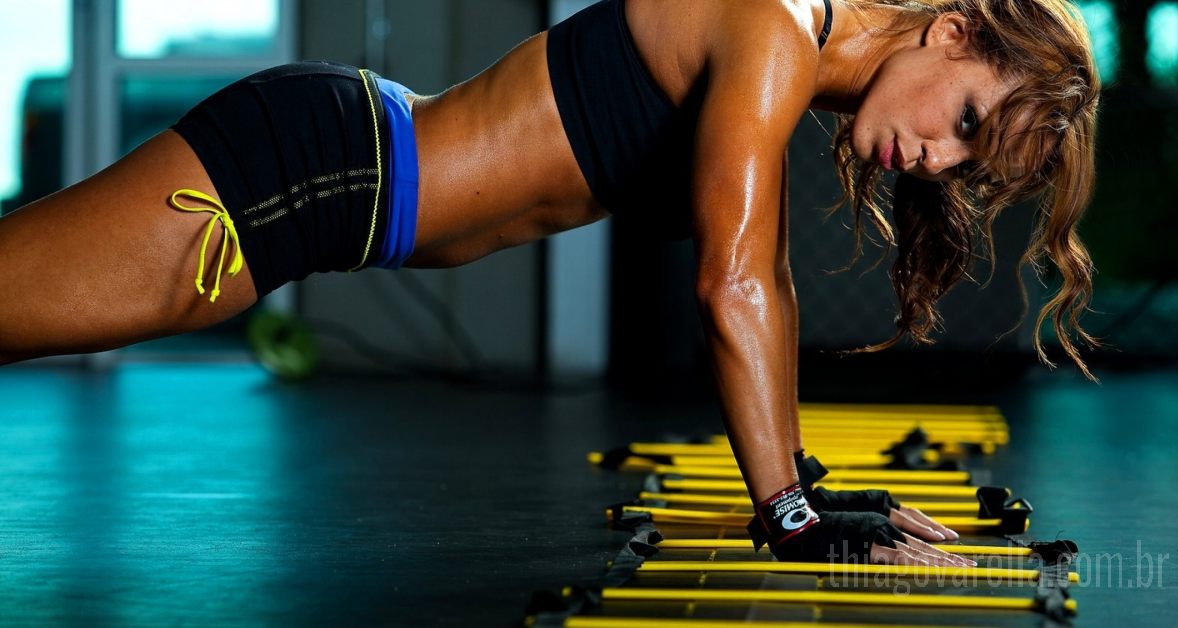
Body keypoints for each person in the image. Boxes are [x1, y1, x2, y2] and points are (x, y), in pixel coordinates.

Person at [0, 0, 1098, 566]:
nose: (939, 159)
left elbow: (765, 270)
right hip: (308, 175)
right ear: (951, 30)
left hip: (334, 181)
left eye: (971, 160)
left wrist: (799, 478)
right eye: (963, 121)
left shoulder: (799, 59)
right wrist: (790, 514)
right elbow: (730, 287)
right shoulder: (772, 32)